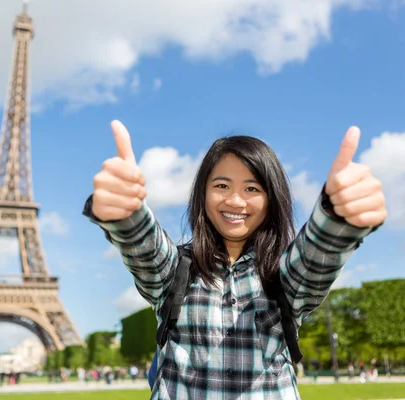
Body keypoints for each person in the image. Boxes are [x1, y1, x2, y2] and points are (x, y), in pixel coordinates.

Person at [84, 120, 386, 399]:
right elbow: (143, 244)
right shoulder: (175, 271)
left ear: (271, 200)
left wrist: (337, 214)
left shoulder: (285, 275)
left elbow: (319, 252)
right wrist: (126, 213)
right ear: (202, 195)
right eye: (222, 185)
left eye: (252, 188)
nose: (235, 200)